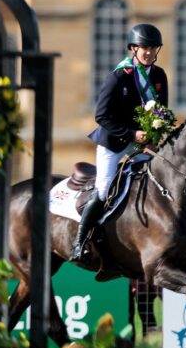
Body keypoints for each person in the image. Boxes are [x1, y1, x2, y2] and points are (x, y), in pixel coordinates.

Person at [71, 23, 168, 261]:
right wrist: (132, 135)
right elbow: (101, 116)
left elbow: (162, 112)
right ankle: (80, 242)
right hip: (113, 142)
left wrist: (155, 137)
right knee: (104, 189)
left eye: (153, 48)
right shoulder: (118, 77)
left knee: (157, 180)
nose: (149, 52)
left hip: (142, 143)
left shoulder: (159, 76)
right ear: (133, 49)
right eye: (144, 48)